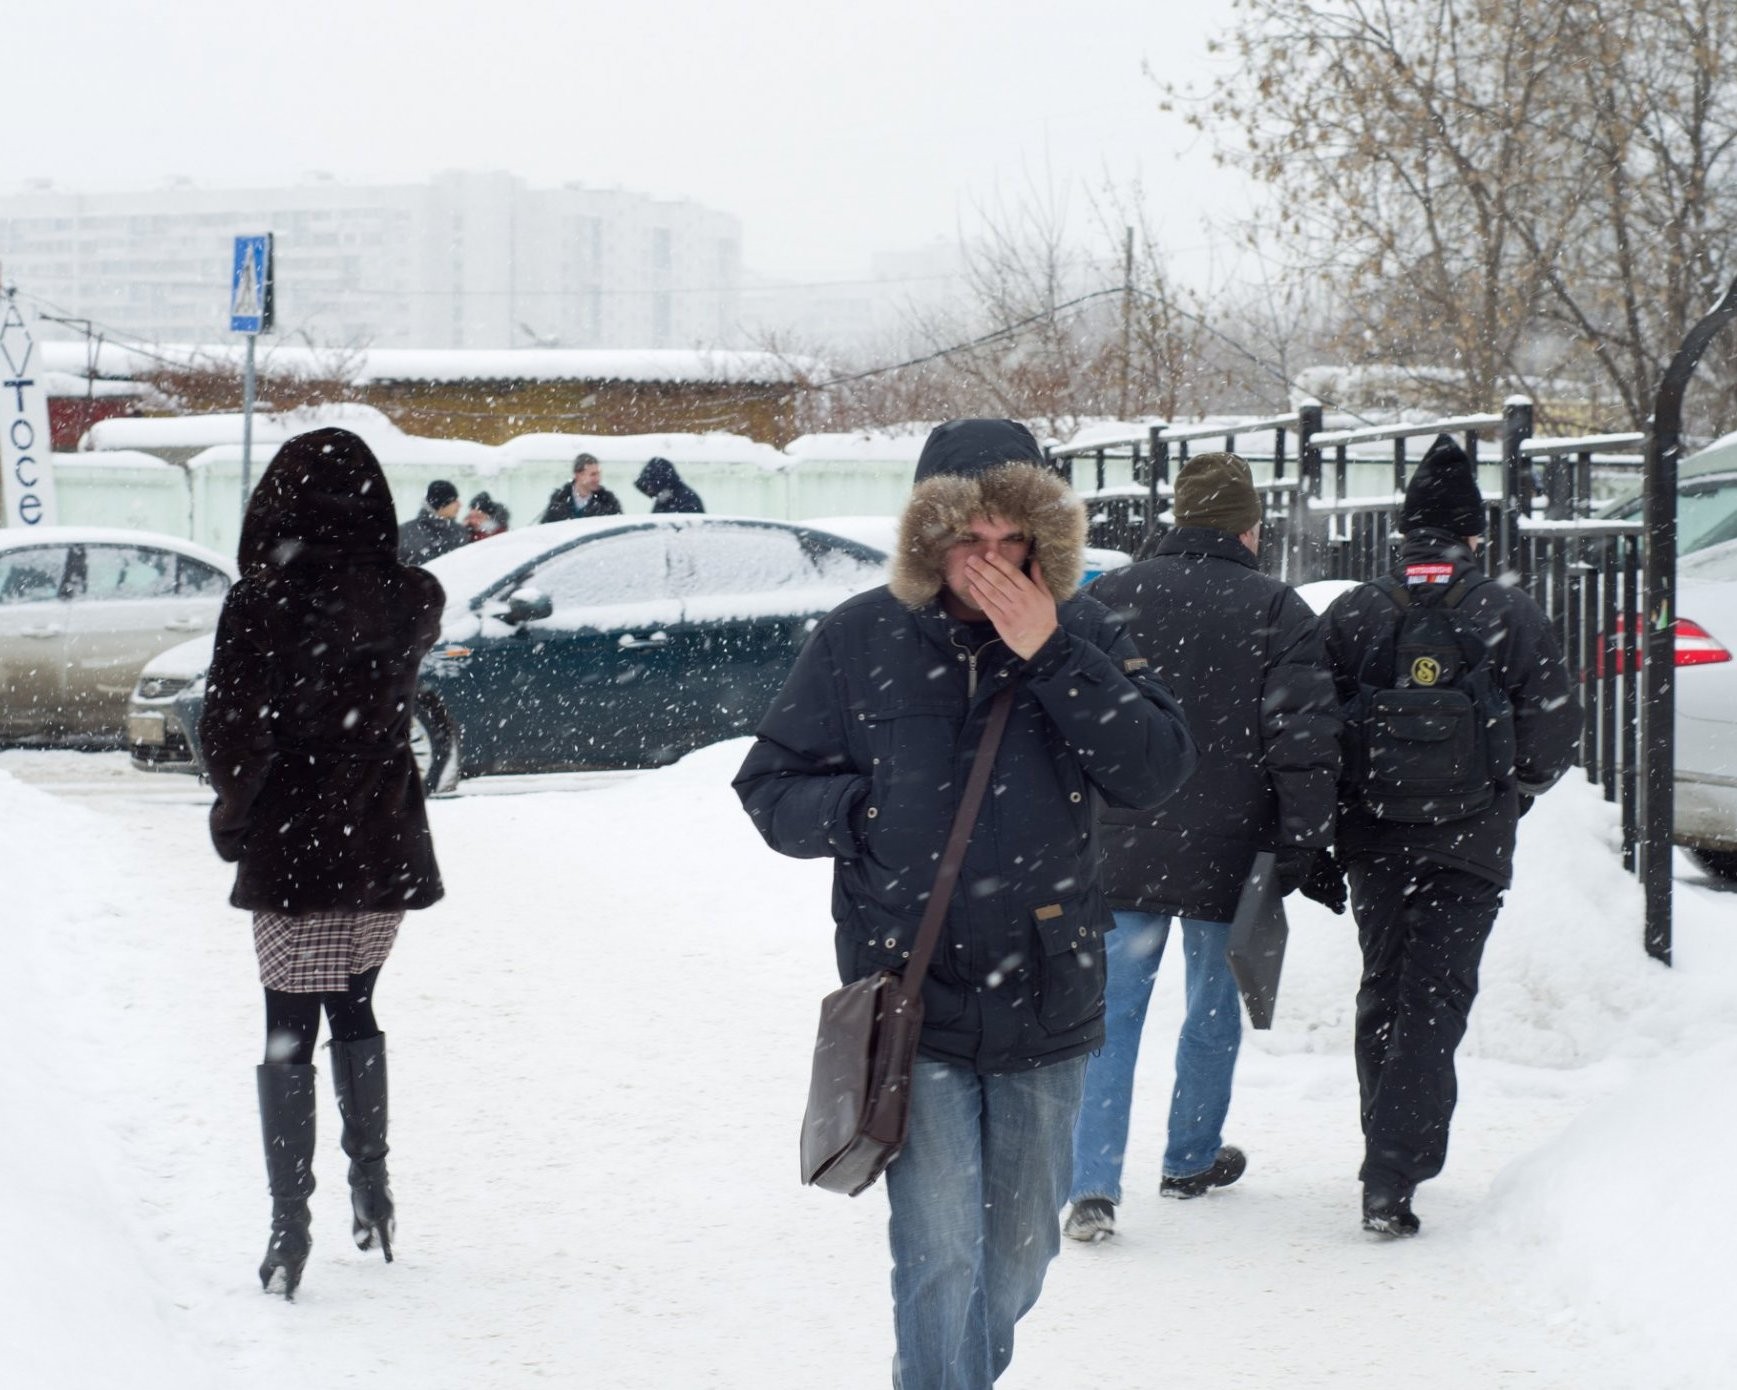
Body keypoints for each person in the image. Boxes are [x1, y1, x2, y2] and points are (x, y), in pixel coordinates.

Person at [734, 418, 1197, 1389]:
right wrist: (862, 813)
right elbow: (769, 786)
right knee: (940, 1252)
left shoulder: (1087, 630)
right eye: (967, 540)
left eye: (1009, 542)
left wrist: (1054, 650)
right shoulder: (860, 637)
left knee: (1021, 1255)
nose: (989, 564)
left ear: (1041, 541)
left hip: (1048, 990)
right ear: (928, 536)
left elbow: (1157, 768)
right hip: (915, 994)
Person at [1063, 452, 1343, 1243]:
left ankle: (1090, 1184)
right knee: (1212, 1009)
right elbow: (1304, 739)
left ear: (1176, 520)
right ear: (1247, 526)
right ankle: (1188, 1157)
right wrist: (1304, 840)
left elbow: (1074, 718)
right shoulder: (1276, 608)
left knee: (1110, 1015)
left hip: (1120, 840)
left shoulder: (1110, 596)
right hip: (1232, 849)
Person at [200, 427, 446, 1299]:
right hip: (380, 837)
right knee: (356, 1003)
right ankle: (371, 1183)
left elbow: (231, 733)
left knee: (285, 1024)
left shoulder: (261, 601)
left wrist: (234, 816)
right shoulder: (414, 596)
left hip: (298, 839)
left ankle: (287, 1223)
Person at [1321, 434, 1579, 1237]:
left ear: (1402, 532)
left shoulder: (1358, 608)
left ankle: (1382, 1144)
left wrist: (1333, 812)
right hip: (1467, 844)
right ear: (1475, 536)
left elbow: (1312, 725)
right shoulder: (1506, 612)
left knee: (1384, 987)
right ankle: (1393, 1173)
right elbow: (1552, 731)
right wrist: (1513, 794)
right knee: (1434, 1000)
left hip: (1373, 836)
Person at [397, 479, 468, 564]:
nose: (460, 505)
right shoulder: (404, 533)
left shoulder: (460, 532)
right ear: (442, 504)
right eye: (454, 501)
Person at [540, 452, 622, 522]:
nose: (598, 478)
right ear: (578, 475)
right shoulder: (559, 499)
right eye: (593, 474)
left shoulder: (608, 501)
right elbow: (546, 530)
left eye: (598, 474)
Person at [634, 455, 705, 513]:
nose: (649, 490)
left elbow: (692, 526)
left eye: (651, 486)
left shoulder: (688, 499)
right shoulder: (662, 501)